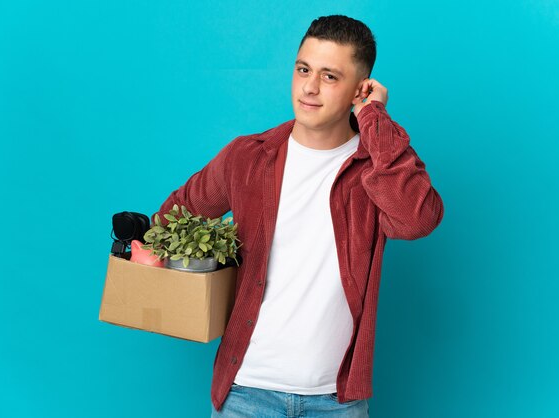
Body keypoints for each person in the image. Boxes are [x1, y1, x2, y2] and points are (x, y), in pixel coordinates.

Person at [154, 14, 444, 418]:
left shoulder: (372, 169)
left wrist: (374, 118)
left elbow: (417, 219)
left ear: (360, 88)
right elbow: (171, 218)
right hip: (247, 393)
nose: (309, 87)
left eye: (329, 77)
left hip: (336, 401)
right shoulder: (248, 156)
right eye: (303, 69)